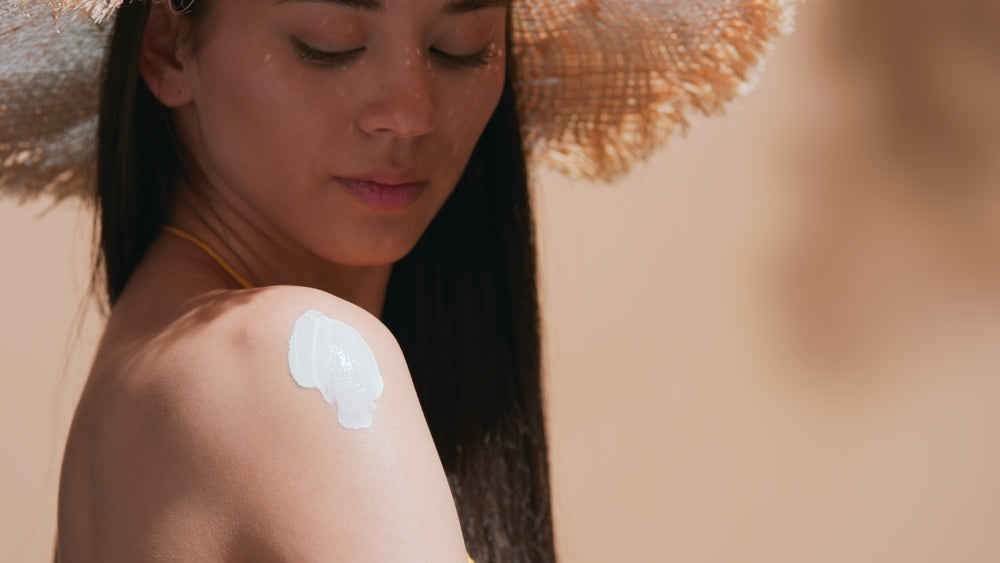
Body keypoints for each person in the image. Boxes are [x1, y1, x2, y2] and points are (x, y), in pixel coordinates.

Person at [0, 0, 793, 560]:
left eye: (461, 44)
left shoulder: (148, 370)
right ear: (168, 45)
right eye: (332, 41)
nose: (410, 111)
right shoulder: (289, 364)